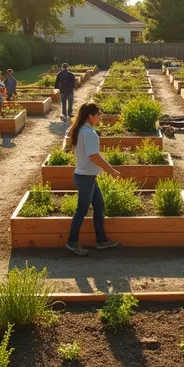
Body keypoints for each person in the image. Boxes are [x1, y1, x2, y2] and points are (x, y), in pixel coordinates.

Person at [65, 102, 122, 256]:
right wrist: (111, 171)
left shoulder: (82, 130)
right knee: (82, 210)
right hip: (86, 177)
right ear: (90, 116)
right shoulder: (88, 133)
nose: (100, 117)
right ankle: (72, 242)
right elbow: (94, 156)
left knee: (99, 207)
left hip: (87, 176)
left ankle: (102, 240)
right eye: (98, 115)